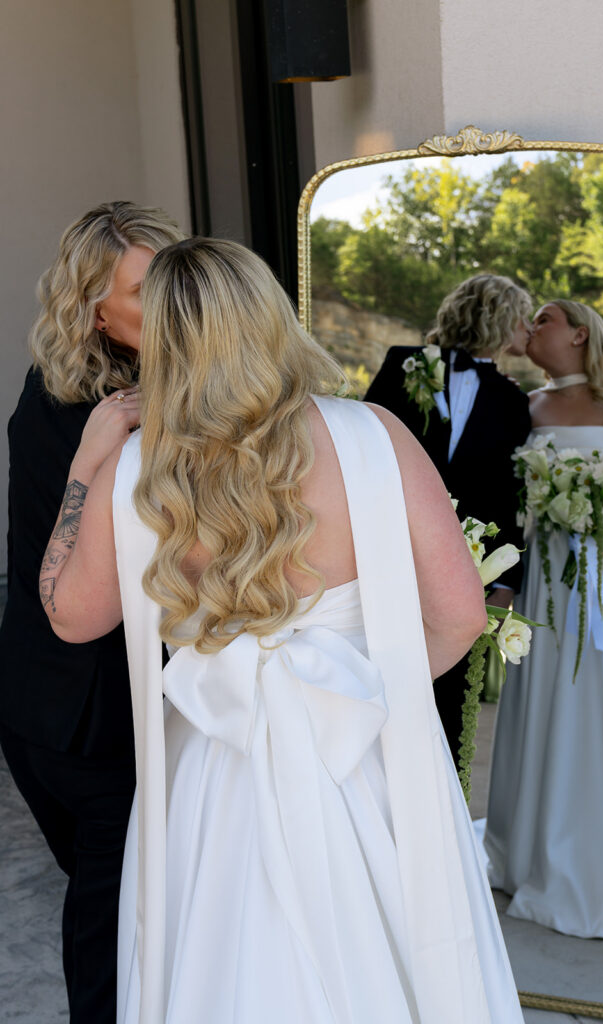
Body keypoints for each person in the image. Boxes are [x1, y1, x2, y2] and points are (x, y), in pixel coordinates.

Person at [39, 237, 525, 1022]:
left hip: (213, 757)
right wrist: (360, 691)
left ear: (160, 336)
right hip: (362, 747)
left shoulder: (136, 466)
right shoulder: (374, 434)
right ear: (271, 316)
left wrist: (84, 467)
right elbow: (462, 614)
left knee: (223, 955)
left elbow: (69, 616)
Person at [0, 201, 185, 1022]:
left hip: (70, 705)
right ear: (93, 310)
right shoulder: (82, 408)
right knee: (113, 920)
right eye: (144, 291)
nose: (169, 303)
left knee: (131, 905)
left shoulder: (142, 390)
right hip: (84, 719)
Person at [482, 299, 603, 944]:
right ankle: (531, 848)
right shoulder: (525, 406)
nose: (531, 325)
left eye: (545, 317)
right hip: (550, 573)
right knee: (550, 692)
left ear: (580, 333)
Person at [364, 273, 532, 754]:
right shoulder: (404, 364)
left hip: (467, 561)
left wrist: (506, 581)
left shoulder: (513, 399)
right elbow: (365, 447)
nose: (527, 329)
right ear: (499, 318)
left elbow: (508, 492)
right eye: (522, 318)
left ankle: (445, 789)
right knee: (384, 678)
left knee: (453, 697)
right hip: (391, 549)